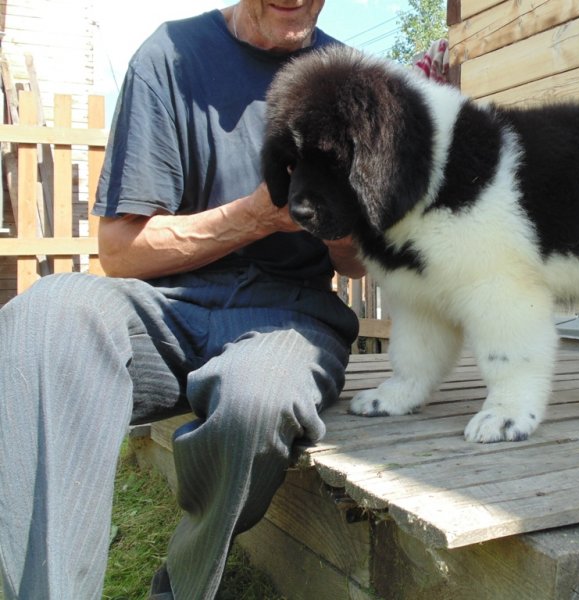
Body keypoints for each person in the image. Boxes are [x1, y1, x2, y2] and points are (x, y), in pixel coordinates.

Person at [0, 2, 366, 598]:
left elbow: (356, 262)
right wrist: (255, 217)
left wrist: (348, 227)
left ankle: (182, 586)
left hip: (291, 313)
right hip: (166, 307)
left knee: (258, 401)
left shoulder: (352, 79)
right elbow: (120, 251)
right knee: (42, 321)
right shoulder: (170, 57)